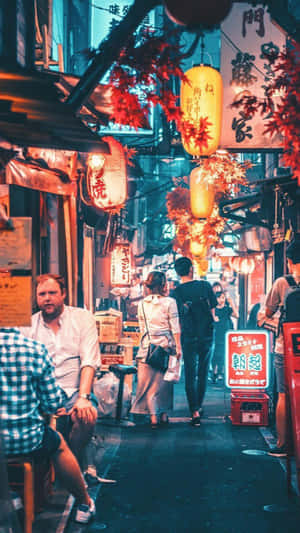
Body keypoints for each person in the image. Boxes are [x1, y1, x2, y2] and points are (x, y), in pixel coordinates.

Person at [0, 327, 96, 524]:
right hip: (25, 441)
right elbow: (52, 404)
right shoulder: (33, 349)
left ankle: (8, 494)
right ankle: (84, 503)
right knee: (58, 444)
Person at [21, 273, 100, 470]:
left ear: (63, 294)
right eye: (42, 294)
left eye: (52, 293)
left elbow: (89, 361)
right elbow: (27, 371)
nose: (47, 298)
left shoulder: (82, 318)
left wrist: (83, 397)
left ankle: (70, 463)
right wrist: (46, 402)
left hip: (74, 391)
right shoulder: (28, 326)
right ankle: (61, 469)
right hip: (42, 394)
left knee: (87, 415)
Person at [263, 236, 300, 456]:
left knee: (284, 394)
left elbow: (268, 312)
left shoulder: (282, 282)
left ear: (288, 260)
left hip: (286, 346)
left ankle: (283, 445)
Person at [131, 271, 182, 428]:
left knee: (148, 385)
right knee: (164, 384)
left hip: (147, 348)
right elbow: (175, 326)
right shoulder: (170, 302)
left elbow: (142, 328)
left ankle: (153, 416)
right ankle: (164, 414)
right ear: (163, 285)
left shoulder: (142, 304)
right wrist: (178, 346)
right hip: (166, 347)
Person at [173, 257, 217, 426]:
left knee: (190, 373)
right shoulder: (205, 286)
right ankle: (199, 404)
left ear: (178, 272)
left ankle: (194, 411)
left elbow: (176, 317)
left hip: (188, 335)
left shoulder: (176, 293)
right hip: (206, 334)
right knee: (203, 371)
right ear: (191, 269)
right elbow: (213, 311)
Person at [211, 290, 237, 383]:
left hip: (225, 334)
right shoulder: (213, 309)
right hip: (216, 334)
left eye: (222, 297)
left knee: (222, 354)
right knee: (215, 354)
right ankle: (214, 372)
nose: (221, 300)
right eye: (219, 297)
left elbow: (237, 315)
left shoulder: (227, 309)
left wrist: (231, 303)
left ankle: (220, 372)